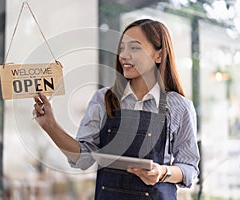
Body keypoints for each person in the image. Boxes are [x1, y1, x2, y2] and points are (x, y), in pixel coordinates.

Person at [33, 19, 200, 200]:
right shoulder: (103, 99)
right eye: (122, 48)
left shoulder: (179, 106)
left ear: (159, 56)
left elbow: (189, 168)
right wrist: (50, 125)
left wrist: (162, 172)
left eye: (134, 48)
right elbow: (83, 158)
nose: (124, 55)